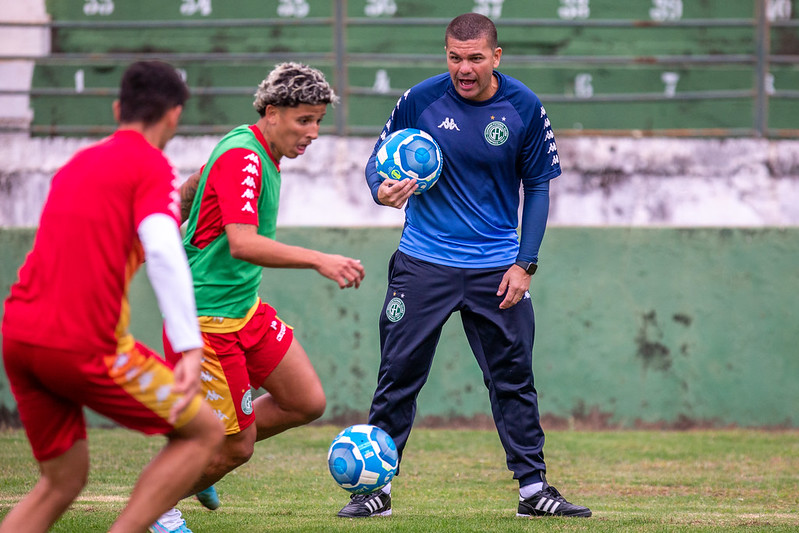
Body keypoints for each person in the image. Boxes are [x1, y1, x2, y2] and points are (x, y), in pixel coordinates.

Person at [338, 13, 591, 519]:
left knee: (512, 379)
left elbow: (538, 186)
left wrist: (526, 263)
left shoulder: (523, 106)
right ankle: (375, 491)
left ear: (496, 56)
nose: (464, 69)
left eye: (475, 58)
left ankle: (533, 490)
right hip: (422, 264)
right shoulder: (419, 100)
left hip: (496, 269)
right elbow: (377, 159)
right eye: (455, 57)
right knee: (398, 375)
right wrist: (379, 189)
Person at [0, 61, 224, 533]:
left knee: (63, 479)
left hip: (19, 338)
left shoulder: (77, 164)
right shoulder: (152, 167)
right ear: (174, 117)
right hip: (82, 345)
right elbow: (164, 248)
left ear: (118, 108)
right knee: (204, 430)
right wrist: (188, 344)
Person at [155, 62, 366, 531]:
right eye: (304, 120)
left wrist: (169, 226)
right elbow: (242, 242)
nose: (313, 132)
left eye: (318, 121)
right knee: (238, 447)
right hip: (209, 320)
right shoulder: (246, 157)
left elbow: (194, 185)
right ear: (272, 112)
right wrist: (319, 259)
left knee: (305, 401)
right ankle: (160, 504)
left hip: (244, 310)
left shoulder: (248, 147)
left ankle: (202, 456)